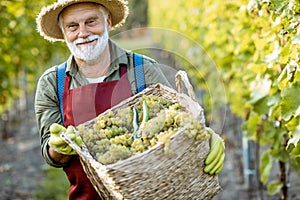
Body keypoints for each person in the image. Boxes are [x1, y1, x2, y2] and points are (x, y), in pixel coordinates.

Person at [35, 0, 225, 199]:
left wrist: (205, 135)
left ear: (108, 22)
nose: (82, 33)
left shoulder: (143, 69)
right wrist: (58, 147)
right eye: (72, 26)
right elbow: (50, 154)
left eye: (91, 22)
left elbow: (176, 123)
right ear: (63, 32)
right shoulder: (52, 83)